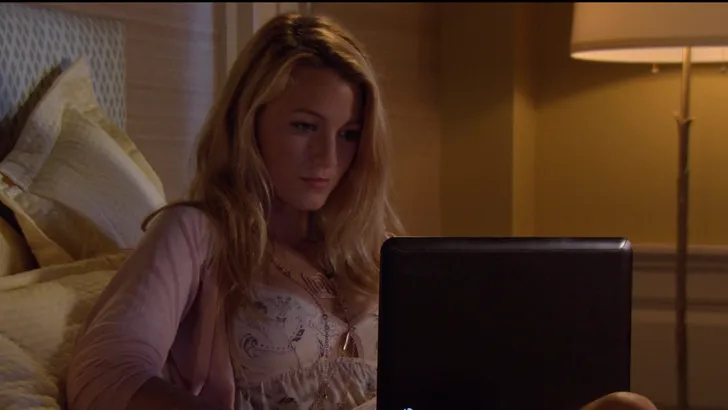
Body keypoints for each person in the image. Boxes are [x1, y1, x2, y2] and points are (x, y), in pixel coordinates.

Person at [66, 12, 658, 410]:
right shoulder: (196, 233)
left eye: (349, 134)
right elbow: (105, 372)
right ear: (250, 122)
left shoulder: (374, 249)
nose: (329, 158)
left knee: (626, 406)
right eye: (305, 127)